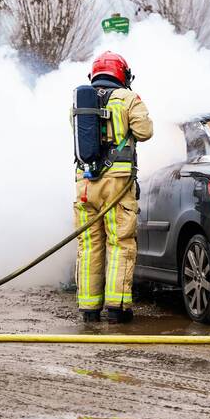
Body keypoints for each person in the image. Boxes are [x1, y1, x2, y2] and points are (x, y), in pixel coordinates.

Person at [74, 51, 153, 323]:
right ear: (123, 74)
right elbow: (145, 132)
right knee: (120, 243)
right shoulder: (129, 98)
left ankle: (88, 309)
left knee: (89, 245)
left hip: (85, 185)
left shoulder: (78, 101)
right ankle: (117, 308)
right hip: (116, 185)